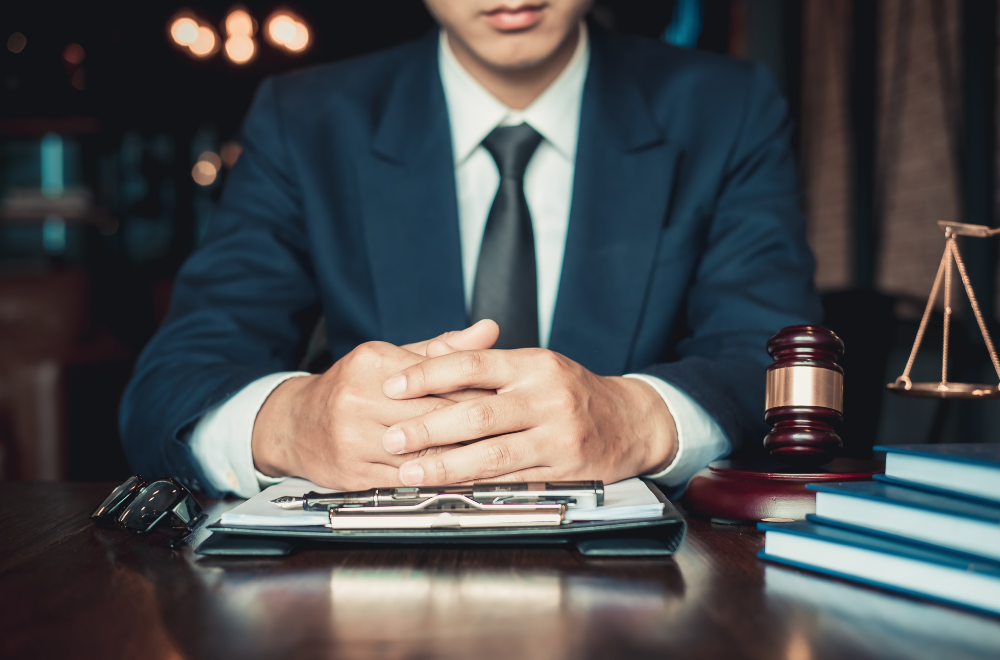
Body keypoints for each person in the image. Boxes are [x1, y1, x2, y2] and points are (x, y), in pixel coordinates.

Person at [120, 0, 821, 498]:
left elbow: (778, 362)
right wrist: (290, 424)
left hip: (650, 593)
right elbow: (173, 381)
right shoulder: (304, 119)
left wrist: (636, 420)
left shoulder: (728, 107)